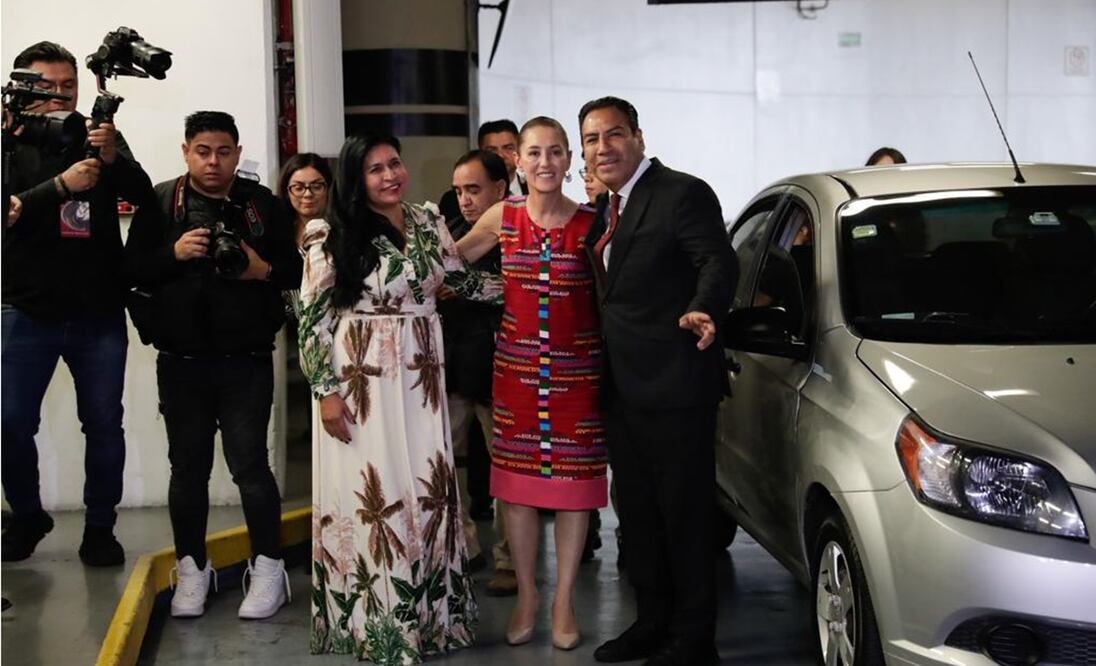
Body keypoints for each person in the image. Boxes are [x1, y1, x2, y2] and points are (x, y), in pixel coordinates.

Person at [299, 133, 498, 662]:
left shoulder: (430, 220)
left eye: (394, 163)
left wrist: (535, 283)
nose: (390, 175)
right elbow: (311, 322)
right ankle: (379, 628)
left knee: (427, 489)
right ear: (354, 178)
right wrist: (326, 393)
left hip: (423, 380)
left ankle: (432, 622)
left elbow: (461, 281)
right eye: (374, 169)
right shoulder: (331, 233)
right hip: (362, 382)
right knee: (377, 497)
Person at [124, 111, 301, 620]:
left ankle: (268, 569)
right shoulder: (161, 202)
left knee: (251, 468)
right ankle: (191, 568)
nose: (213, 161)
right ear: (186, 151)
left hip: (245, 359)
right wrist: (174, 253)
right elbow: (130, 272)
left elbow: (292, 271)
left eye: (223, 151)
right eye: (203, 151)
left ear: (238, 153)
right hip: (181, 361)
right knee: (188, 471)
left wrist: (258, 268)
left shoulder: (260, 204)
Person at [579, 96, 735, 666]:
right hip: (622, 389)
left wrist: (704, 308)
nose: (604, 147)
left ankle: (694, 641)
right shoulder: (608, 208)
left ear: (639, 138)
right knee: (639, 519)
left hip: (675, 386)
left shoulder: (681, 193)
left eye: (614, 134)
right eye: (593, 139)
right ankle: (651, 623)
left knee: (685, 520)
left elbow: (717, 261)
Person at [456, 116, 608, 650]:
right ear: (517, 162)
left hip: (577, 375)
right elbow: (449, 265)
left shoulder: (595, 221)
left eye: (556, 152)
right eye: (534, 153)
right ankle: (527, 594)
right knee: (516, 493)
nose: (545, 163)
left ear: (570, 160)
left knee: (571, 494)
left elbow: (622, 293)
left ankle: (563, 598)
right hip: (515, 375)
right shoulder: (504, 215)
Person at [1, 41, 154, 566]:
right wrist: (60, 187)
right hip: (23, 307)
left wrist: (111, 158)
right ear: (23, 87)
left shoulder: (97, 134)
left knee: (105, 424)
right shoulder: (6, 139)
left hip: (97, 312)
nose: (63, 97)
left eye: (70, 86)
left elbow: (143, 194)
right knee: (10, 424)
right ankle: (27, 515)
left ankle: (100, 528)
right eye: (50, 88)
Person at [442, 149, 519, 596]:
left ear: (499, 190)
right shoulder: (450, 233)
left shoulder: (517, 232)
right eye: (458, 190)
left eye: (474, 189)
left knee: (506, 469)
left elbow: (515, 291)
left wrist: (469, 288)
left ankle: (510, 558)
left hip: (499, 368)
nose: (465, 199)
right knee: (442, 463)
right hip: (450, 366)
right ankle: (463, 543)